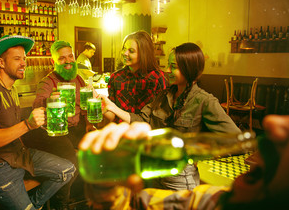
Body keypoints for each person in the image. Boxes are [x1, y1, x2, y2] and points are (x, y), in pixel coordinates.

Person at [100, 42, 241, 191]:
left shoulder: (204, 101)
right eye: (168, 65)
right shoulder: (164, 95)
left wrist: (199, 152)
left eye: (174, 66)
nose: (168, 70)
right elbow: (142, 120)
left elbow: (235, 139)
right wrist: (113, 108)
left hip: (179, 180)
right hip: (155, 173)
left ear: (189, 68)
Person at [79, 115, 289, 209]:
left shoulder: (202, 97)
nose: (273, 121)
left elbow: (229, 130)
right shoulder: (212, 202)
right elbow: (129, 206)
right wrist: (106, 183)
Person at [0, 35, 75, 210]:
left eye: (25, 59)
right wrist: (27, 125)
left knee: (67, 170)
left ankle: (32, 205)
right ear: (1, 63)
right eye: (17, 59)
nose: (24, 63)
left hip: (19, 156)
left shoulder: (11, 88)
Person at [22, 40, 94, 209]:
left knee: (101, 149)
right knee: (71, 163)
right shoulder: (48, 82)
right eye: (62, 58)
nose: (68, 61)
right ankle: (59, 204)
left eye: (70, 56)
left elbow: (84, 108)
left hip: (77, 129)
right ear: (53, 62)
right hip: (57, 131)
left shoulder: (79, 79)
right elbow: (37, 104)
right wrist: (51, 99)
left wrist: (90, 124)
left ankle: (89, 200)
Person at [105, 30, 167, 123]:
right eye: (124, 48)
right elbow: (112, 115)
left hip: (146, 133)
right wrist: (100, 104)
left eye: (131, 51)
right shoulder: (116, 78)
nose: (125, 53)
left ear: (144, 53)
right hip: (121, 132)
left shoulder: (157, 78)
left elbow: (158, 119)